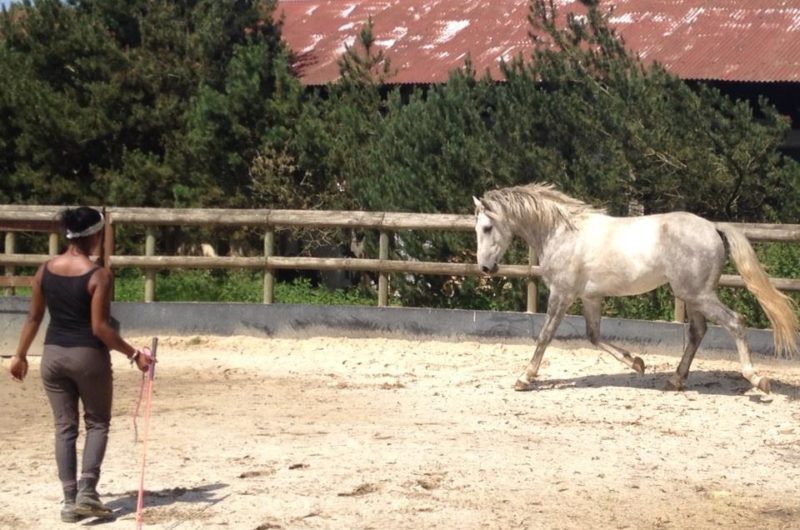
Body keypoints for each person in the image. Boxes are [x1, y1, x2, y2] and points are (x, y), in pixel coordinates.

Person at [8, 206, 152, 523]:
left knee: (64, 428)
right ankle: (88, 490)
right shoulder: (99, 275)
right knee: (97, 423)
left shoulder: (45, 270)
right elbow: (100, 328)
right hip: (87, 357)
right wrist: (134, 355)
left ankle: (69, 500)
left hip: (52, 356)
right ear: (96, 236)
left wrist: (19, 355)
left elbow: (33, 317)